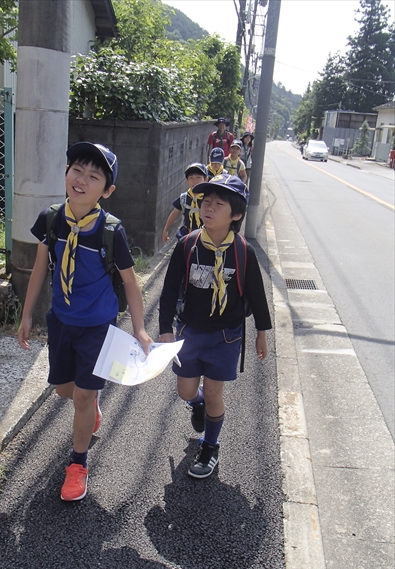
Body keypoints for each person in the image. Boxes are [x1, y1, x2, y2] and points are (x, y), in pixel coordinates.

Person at [17, 141, 152, 502]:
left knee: (82, 395)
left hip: (98, 327)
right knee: (64, 389)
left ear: (106, 191)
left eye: (94, 176)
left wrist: (139, 328)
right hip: (61, 320)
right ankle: (89, 407)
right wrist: (27, 313)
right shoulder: (51, 219)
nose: (82, 179)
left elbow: (129, 282)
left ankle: (78, 464)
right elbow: (40, 269)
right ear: (65, 173)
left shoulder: (111, 231)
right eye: (76, 170)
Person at [158, 174, 272, 479]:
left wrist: (262, 332)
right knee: (186, 391)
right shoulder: (188, 244)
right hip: (189, 331)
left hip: (226, 335)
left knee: (213, 393)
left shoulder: (243, 252)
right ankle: (196, 405)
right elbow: (169, 290)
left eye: (218, 204)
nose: (208, 208)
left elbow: (257, 296)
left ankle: (210, 445)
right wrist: (165, 329)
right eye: (206, 202)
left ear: (235, 214)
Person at [162, 163, 208, 243]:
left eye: (198, 177)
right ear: (187, 180)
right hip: (186, 232)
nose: (195, 180)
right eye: (191, 178)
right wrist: (166, 230)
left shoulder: (209, 198)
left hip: (205, 233)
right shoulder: (184, 198)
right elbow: (174, 213)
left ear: (206, 179)